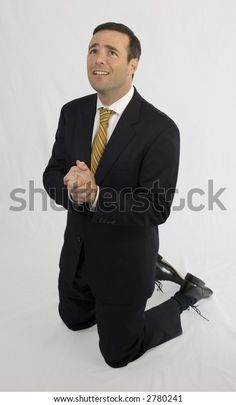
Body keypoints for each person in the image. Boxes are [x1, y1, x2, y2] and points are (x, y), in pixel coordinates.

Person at [43, 22, 213, 368]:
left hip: (125, 260)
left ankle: (185, 295)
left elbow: (157, 207)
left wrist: (97, 195)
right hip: (77, 252)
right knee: (74, 322)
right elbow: (51, 175)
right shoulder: (72, 113)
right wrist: (72, 190)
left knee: (118, 354)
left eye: (111, 52)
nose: (98, 59)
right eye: (93, 50)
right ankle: (155, 268)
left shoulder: (160, 130)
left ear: (133, 64)